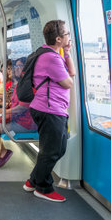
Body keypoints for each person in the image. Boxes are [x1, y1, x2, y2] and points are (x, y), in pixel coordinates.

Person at [23, 20, 75, 202]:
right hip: (49, 109)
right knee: (52, 150)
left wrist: (67, 52)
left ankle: (32, 181)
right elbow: (69, 82)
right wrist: (65, 57)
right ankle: (43, 188)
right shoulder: (51, 58)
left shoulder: (52, 54)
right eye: (67, 34)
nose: (69, 37)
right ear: (59, 38)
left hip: (52, 108)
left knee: (57, 148)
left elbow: (72, 73)